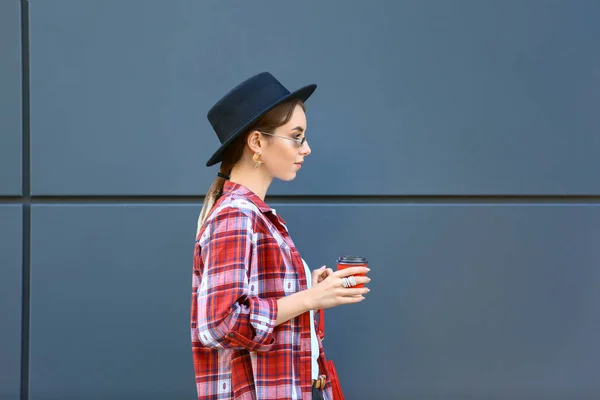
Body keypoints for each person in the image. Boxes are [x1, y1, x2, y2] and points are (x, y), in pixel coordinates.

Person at [190, 72, 371, 400]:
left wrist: (309, 288)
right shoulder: (236, 214)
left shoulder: (253, 214)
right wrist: (310, 299)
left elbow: (258, 304)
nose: (307, 149)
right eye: (296, 136)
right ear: (257, 142)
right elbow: (219, 323)